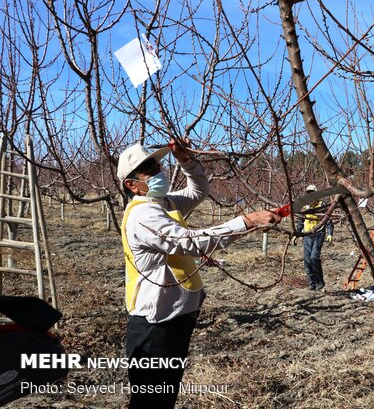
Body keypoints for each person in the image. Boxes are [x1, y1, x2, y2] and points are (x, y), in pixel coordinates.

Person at [118, 139, 280, 408]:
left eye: (159, 165)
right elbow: (190, 243)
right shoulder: (143, 215)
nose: (160, 172)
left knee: (163, 398)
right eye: (150, 169)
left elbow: (198, 192)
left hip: (173, 318)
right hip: (154, 325)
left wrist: (186, 161)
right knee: (150, 401)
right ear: (131, 184)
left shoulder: (163, 202)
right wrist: (247, 222)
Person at [292, 184, 334, 291]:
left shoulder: (322, 205)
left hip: (319, 233)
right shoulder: (305, 206)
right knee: (307, 260)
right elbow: (301, 220)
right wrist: (296, 234)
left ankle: (320, 282)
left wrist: (329, 233)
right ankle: (312, 283)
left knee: (314, 257)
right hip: (307, 234)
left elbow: (328, 220)